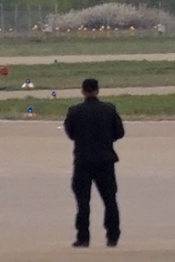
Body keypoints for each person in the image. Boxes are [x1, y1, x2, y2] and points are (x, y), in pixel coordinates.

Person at [63, 78, 125, 248]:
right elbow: (119, 132)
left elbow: (70, 133)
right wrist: (106, 140)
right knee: (110, 200)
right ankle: (113, 236)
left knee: (83, 201)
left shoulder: (75, 111)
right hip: (105, 160)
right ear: (98, 90)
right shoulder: (109, 110)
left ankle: (83, 237)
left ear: (82, 91)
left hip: (83, 160)